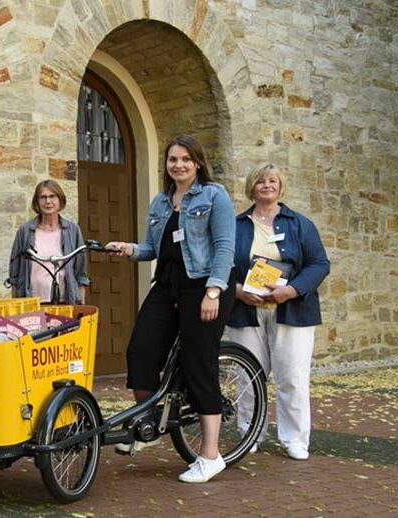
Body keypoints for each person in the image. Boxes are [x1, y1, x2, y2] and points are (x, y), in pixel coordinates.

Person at [104, 134, 236, 484]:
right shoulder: (162, 201)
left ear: (197, 163)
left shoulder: (213, 195)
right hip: (167, 285)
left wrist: (213, 291)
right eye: (172, 159)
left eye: (185, 159)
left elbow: (225, 246)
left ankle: (210, 455)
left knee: (198, 362)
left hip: (204, 285)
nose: (178, 165)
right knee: (141, 350)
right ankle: (149, 421)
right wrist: (129, 249)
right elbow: (153, 247)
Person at [226, 164, 330, 461]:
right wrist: (236, 290)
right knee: (248, 375)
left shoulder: (300, 224)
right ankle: (250, 433)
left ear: (280, 187)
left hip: (292, 309)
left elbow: (320, 264)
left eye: (272, 180)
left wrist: (293, 289)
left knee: (292, 376)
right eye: (260, 180)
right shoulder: (236, 225)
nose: (266, 185)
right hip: (246, 309)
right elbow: (220, 263)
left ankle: (294, 438)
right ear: (251, 187)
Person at [7, 179, 91, 304]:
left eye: (52, 196)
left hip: (65, 301)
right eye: (43, 197)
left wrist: (81, 305)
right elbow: (15, 273)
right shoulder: (25, 231)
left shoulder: (72, 231)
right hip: (32, 302)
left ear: (60, 199)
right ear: (37, 202)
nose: (48, 201)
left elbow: (80, 273)